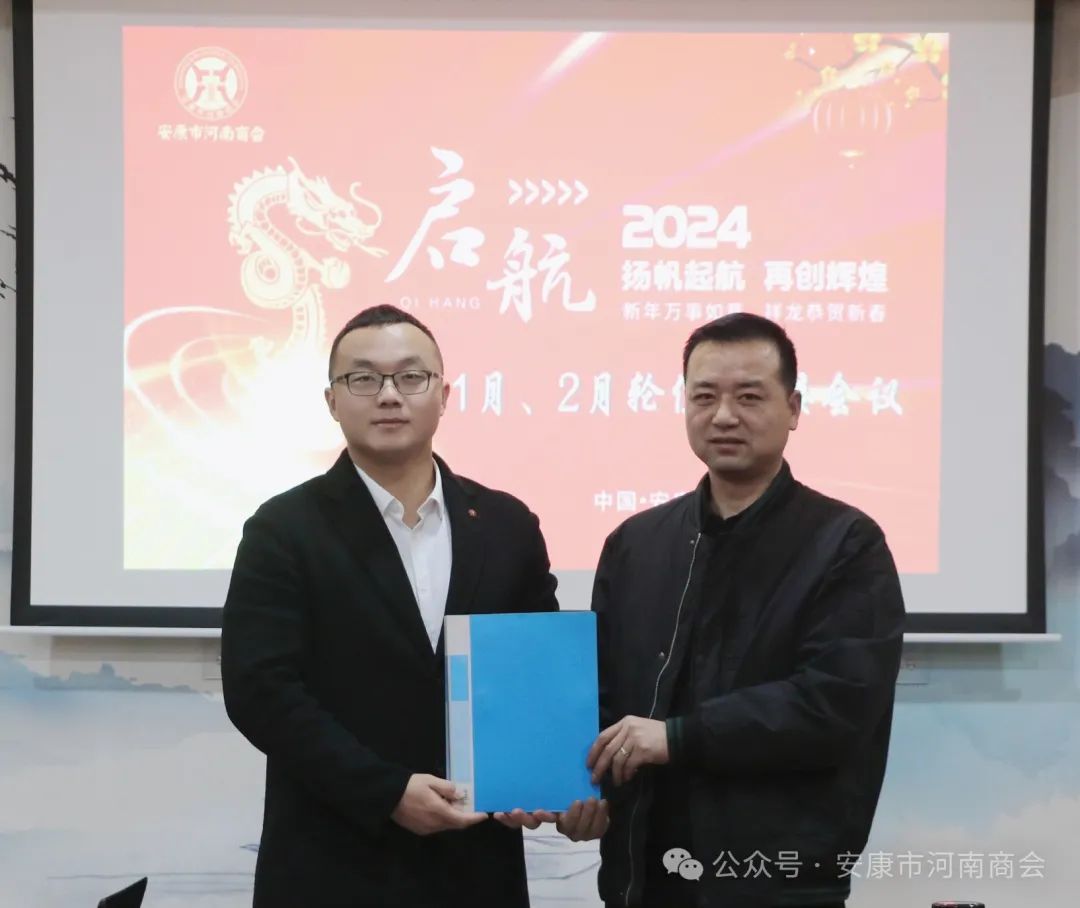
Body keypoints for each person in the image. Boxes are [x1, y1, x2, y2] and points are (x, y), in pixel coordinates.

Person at [221, 304, 558, 908]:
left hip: (476, 864)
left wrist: (542, 778)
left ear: (444, 394)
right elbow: (260, 690)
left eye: (410, 376)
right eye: (363, 378)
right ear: (332, 401)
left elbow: (537, 673)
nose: (388, 395)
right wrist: (385, 792)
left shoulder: (507, 525)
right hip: (334, 860)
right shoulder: (284, 529)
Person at [563, 313, 905, 907]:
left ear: (793, 409)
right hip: (643, 876)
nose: (723, 415)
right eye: (704, 397)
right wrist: (580, 790)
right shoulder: (635, 543)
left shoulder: (846, 543)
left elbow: (836, 704)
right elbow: (602, 694)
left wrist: (678, 737)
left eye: (749, 397)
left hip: (776, 882)